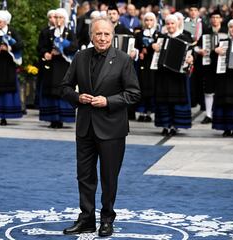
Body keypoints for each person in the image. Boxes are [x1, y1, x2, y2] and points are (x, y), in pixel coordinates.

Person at [61, 17, 141, 237]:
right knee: (84, 176)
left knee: (108, 177)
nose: (102, 38)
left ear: (112, 36)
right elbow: (65, 87)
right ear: (91, 36)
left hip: (112, 129)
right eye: (98, 34)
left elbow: (134, 93)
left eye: (106, 34)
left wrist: (108, 101)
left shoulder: (124, 59)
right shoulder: (80, 57)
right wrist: (78, 97)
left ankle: (107, 219)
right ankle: (86, 219)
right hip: (85, 127)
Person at [153, 14, 194, 136]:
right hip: (163, 75)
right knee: (164, 102)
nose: (170, 26)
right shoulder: (161, 38)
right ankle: (165, 125)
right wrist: (153, 47)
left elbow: (191, 54)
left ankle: (175, 126)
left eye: (173, 23)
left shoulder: (185, 38)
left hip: (178, 77)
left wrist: (191, 58)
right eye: (168, 24)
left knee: (176, 102)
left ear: (177, 24)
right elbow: (155, 58)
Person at [37, 8, 78, 128]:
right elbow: (41, 47)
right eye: (56, 17)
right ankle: (52, 119)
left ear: (65, 19)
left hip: (63, 66)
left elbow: (75, 47)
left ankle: (62, 117)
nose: (58, 20)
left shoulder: (69, 33)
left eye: (60, 18)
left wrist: (63, 47)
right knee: (51, 91)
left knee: (62, 90)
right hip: (51, 66)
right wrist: (46, 53)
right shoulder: (48, 33)